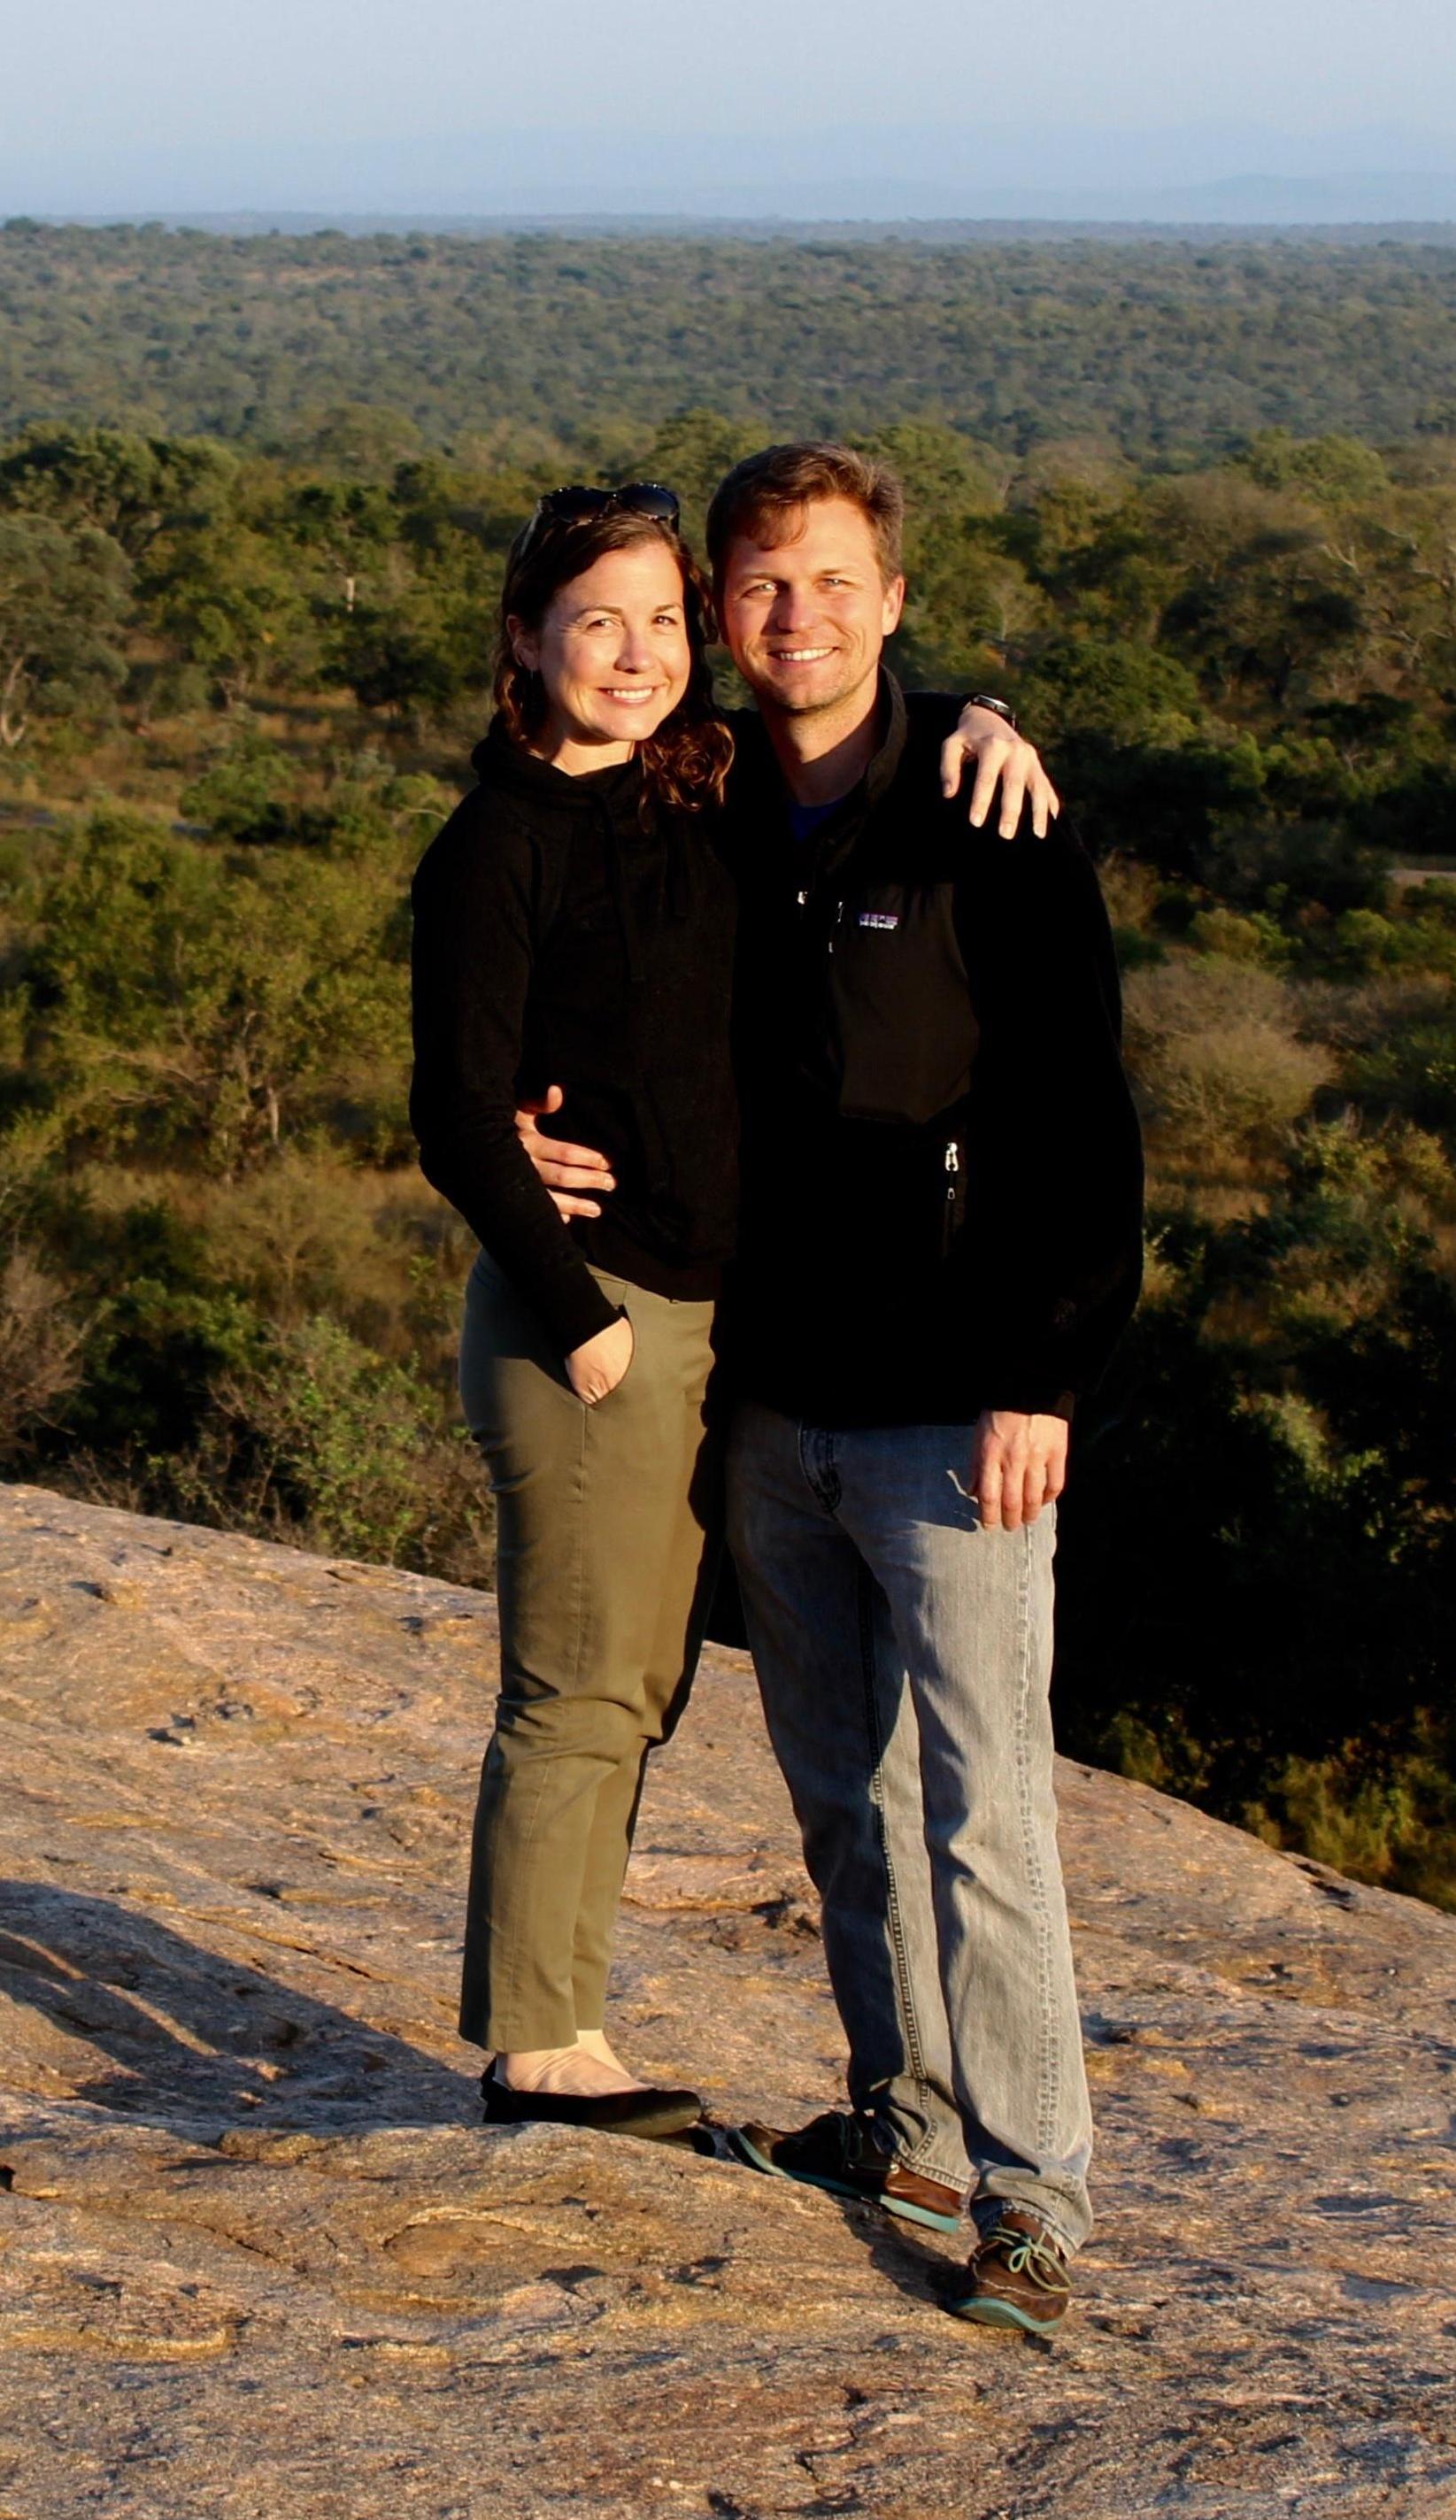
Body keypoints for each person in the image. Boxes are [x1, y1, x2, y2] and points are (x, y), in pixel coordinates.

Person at [519, 443, 1142, 2331]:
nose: (797, 618)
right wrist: (515, 1129)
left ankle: (1034, 2199)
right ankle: (906, 2115)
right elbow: (529, 906)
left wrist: (1044, 1370)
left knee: (983, 1808)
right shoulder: (693, 800)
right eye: (761, 585)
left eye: (834, 581)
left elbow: (1080, 1116)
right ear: (719, 604)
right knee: (837, 1797)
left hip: (959, 1398)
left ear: (894, 596)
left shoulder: (981, 807)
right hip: (770, 1395)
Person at [409, 480, 1054, 2141]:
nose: (634, 657)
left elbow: (845, 717)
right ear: (524, 640)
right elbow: (454, 1109)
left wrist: (985, 720)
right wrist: (580, 1313)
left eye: (661, 623)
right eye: (594, 623)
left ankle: (559, 2014)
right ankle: (543, 2046)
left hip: (698, 1318)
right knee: (582, 1680)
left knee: (640, 1674)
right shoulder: (500, 839)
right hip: (596, 1322)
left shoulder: (682, 792)